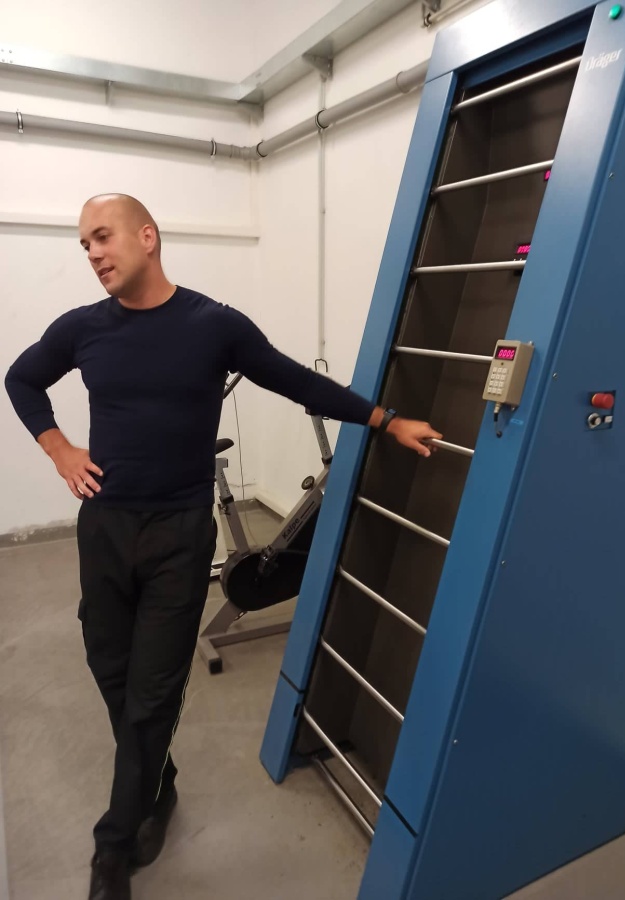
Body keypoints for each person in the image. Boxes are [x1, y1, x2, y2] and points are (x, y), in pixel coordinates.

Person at [4, 194, 442, 900]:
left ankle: (113, 847)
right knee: (110, 666)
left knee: (153, 690)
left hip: (179, 533)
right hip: (105, 527)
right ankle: (158, 778)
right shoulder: (81, 328)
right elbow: (21, 379)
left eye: (102, 237)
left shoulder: (213, 325)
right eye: (84, 244)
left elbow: (295, 380)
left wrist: (384, 419)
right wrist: (59, 450)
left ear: (147, 236)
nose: (93, 254)